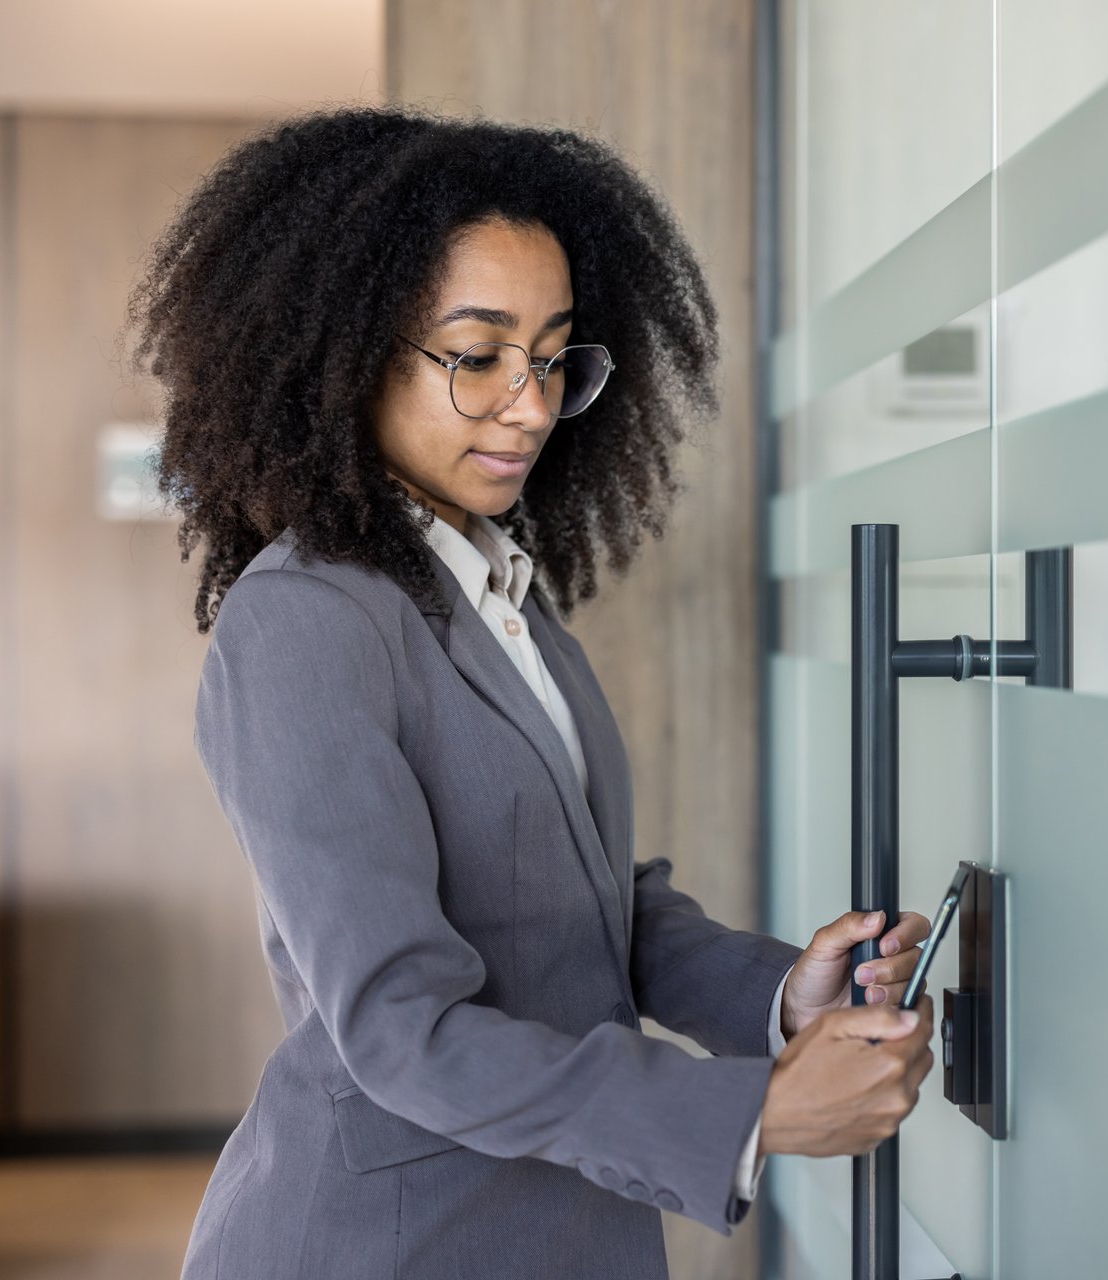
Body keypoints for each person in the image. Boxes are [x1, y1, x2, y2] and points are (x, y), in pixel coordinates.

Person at [125, 105, 937, 1280]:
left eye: (553, 357)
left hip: (551, 1224)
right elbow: (402, 1029)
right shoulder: (305, 619)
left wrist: (777, 993)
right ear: (345, 356)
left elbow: (584, 905)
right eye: (478, 355)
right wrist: (747, 1113)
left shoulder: (499, 592)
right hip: (389, 1245)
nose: (532, 403)